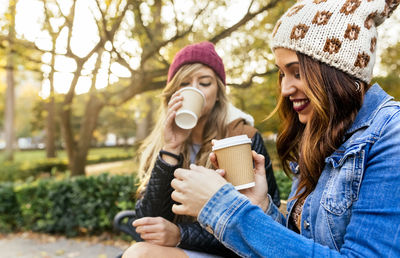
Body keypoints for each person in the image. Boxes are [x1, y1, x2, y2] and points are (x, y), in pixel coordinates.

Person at [169, 0, 400, 257]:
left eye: (297, 73)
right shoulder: (319, 133)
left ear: (337, 72)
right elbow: (300, 245)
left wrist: (222, 207)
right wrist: (259, 206)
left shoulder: (391, 135)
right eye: (282, 74)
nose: (285, 89)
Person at [122, 41, 280, 258]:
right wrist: (171, 148)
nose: (194, 90)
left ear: (218, 94)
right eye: (185, 84)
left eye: (204, 83)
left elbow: (251, 226)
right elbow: (148, 221)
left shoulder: (239, 138)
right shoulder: (162, 142)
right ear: (172, 94)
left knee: (139, 255)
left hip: (233, 253)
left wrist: (180, 234)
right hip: (178, 250)